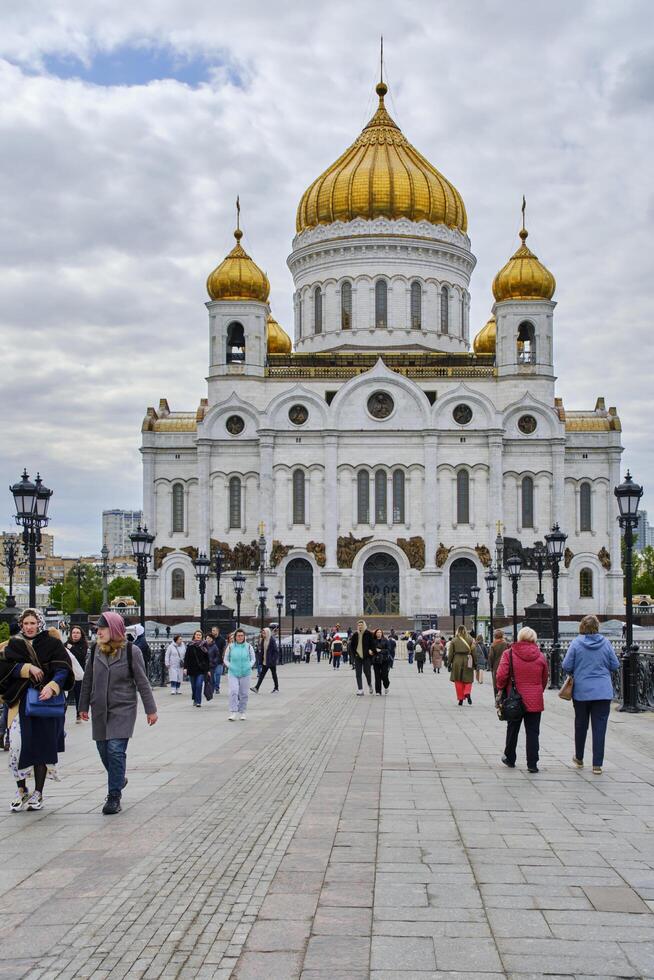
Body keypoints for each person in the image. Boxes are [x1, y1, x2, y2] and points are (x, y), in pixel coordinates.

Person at [79, 612, 157, 814]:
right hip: (99, 708)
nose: (98, 632)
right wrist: (82, 706)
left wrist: (151, 710)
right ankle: (119, 778)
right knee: (103, 749)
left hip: (123, 708)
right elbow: (88, 679)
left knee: (115, 749)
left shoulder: (132, 651)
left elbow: (142, 682)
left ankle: (113, 796)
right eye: (97, 629)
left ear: (113, 629)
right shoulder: (95, 649)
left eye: (102, 628)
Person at [0, 609, 74, 812]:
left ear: (39, 624)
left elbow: (63, 669)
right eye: (26, 623)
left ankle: (38, 792)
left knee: (41, 746)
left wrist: (53, 686)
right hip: (19, 702)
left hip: (44, 703)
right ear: (21, 625)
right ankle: (22, 790)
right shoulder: (13, 645)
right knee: (16, 745)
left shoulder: (52, 643)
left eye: (33, 623)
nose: (29, 627)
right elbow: (3, 668)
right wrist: (25, 669)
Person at [562, 615, 621, 774]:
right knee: (600, 727)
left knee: (581, 725)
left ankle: (579, 758)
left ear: (582, 627)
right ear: (597, 627)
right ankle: (597, 765)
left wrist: (577, 671)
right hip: (603, 691)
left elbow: (566, 665)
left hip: (581, 691)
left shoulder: (576, 643)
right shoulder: (606, 643)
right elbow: (615, 664)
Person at [496, 626, 548, 773]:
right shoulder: (540, 655)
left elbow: (501, 675)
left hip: (514, 698)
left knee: (513, 729)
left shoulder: (509, 653)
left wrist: (501, 688)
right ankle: (532, 763)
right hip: (535, 699)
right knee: (533, 732)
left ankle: (510, 758)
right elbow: (544, 678)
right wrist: (538, 691)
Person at [224, 628, 256, 720]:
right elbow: (225, 659)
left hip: (245, 673)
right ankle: (233, 712)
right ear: (235, 637)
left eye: (242, 635)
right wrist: (230, 666)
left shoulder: (248, 646)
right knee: (233, 691)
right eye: (238, 636)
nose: (240, 637)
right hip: (233, 672)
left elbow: (253, 658)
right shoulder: (230, 647)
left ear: (244, 636)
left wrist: (249, 665)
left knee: (244, 693)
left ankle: (242, 711)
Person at [448, 625, 477, 705]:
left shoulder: (454, 640)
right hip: (468, 659)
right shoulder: (471, 639)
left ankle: (460, 699)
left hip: (457, 660)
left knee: (458, 680)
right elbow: (474, 652)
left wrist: (449, 663)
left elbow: (450, 653)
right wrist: (475, 663)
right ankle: (467, 692)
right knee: (468, 678)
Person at [66, 625, 88, 722]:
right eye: (73, 633)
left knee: (78, 694)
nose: (75, 635)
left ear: (81, 635)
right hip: (68, 673)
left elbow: (81, 656)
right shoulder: (66, 643)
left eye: (77, 633)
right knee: (65, 695)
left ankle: (78, 714)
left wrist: (71, 647)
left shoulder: (83, 645)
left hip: (79, 674)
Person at [184, 629, 210, 707]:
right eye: (197, 635)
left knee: (199, 685)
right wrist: (185, 668)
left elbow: (207, 659)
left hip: (201, 669)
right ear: (194, 636)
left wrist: (208, 669)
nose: (198, 636)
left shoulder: (204, 646)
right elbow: (186, 658)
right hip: (191, 669)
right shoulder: (190, 645)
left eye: (200, 635)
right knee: (193, 686)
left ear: (202, 637)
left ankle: (198, 701)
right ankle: (195, 698)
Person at [349, 619, 375, 696]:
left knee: (367, 672)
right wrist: (354, 655)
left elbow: (372, 644)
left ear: (364, 625)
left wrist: (371, 650)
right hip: (358, 657)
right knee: (358, 673)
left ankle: (369, 684)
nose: (360, 626)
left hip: (366, 656)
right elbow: (352, 646)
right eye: (359, 625)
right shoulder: (355, 635)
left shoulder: (369, 634)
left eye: (361, 625)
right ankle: (360, 689)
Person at [251, 627, 279, 694]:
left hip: (271, 661)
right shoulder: (263, 640)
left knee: (274, 674)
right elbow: (263, 651)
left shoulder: (272, 640)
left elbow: (276, 651)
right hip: (265, 661)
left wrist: (273, 660)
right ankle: (256, 688)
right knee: (262, 675)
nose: (262, 634)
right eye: (262, 633)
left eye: (264, 633)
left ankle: (276, 688)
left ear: (267, 633)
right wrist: (261, 659)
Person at [488, 629, 510, 697]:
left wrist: (491, 666)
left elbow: (491, 657)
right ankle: (504, 699)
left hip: (496, 666)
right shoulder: (506, 644)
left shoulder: (493, 645)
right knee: (505, 682)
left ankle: (497, 700)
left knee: (496, 684)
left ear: (495, 636)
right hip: (506, 665)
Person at [371, 628, 391, 694]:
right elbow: (370, 649)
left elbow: (388, 650)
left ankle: (386, 686)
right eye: (377, 632)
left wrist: (381, 650)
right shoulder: (373, 641)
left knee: (384, 675)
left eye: (380, 632)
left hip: (384, 660)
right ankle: (378, 691)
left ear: (382, 633)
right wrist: (372, 651)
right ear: (375, 634)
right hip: (376, 660)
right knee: (377, 676)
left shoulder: (385, 640)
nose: (379, 633)